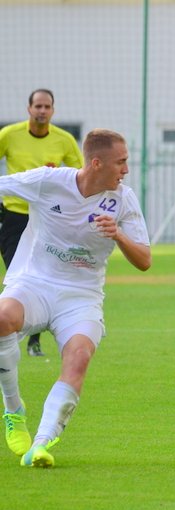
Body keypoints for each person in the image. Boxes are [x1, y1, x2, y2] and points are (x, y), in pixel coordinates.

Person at [0, 128, 151, 468]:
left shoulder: (124, 200)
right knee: (2, 317)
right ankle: (13, 411)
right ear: (96, 163)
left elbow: (144, 260)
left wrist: (119, 235)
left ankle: (39, 445)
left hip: (81, 295)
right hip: (35, 282)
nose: (126, 170)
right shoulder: (48, 181)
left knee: (79, 356)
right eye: (121, 162)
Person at [0, 89, 84, 357]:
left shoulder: (64, 140)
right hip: (14, 216)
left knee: (40, 274)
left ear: (53, 110)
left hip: (48, 219)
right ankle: (11, 329)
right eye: (37, 106)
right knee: (17, 273)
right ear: (28, 109)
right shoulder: (9, 135)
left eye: (47, 106)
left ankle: (33, 340)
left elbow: (79, 177)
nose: (42, 111)